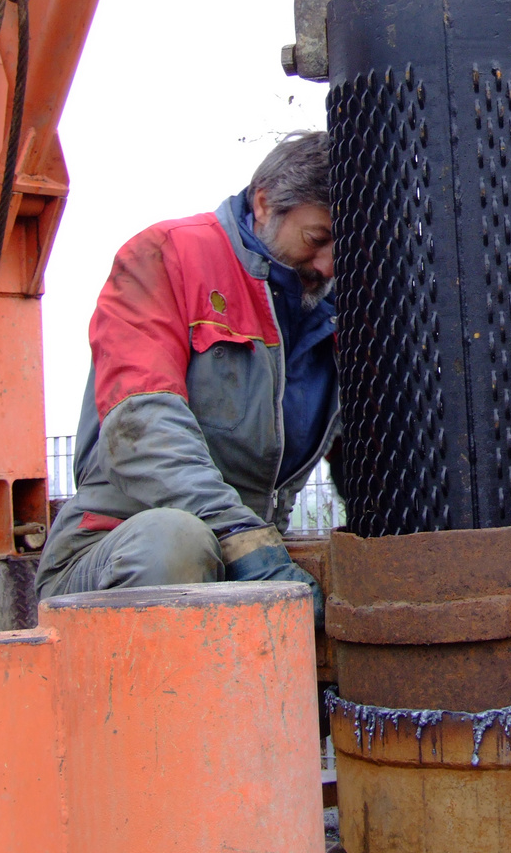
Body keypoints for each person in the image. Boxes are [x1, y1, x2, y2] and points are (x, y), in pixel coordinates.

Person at [35, 131, 338, 617]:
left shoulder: (329, 313)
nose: (326, 266)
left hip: (252, 557)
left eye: (340, 248)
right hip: (117, 550)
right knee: (175, 542)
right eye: (316, 239)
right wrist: (239, 536)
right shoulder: (168, 256)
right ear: (264, 204)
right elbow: (143, 429)